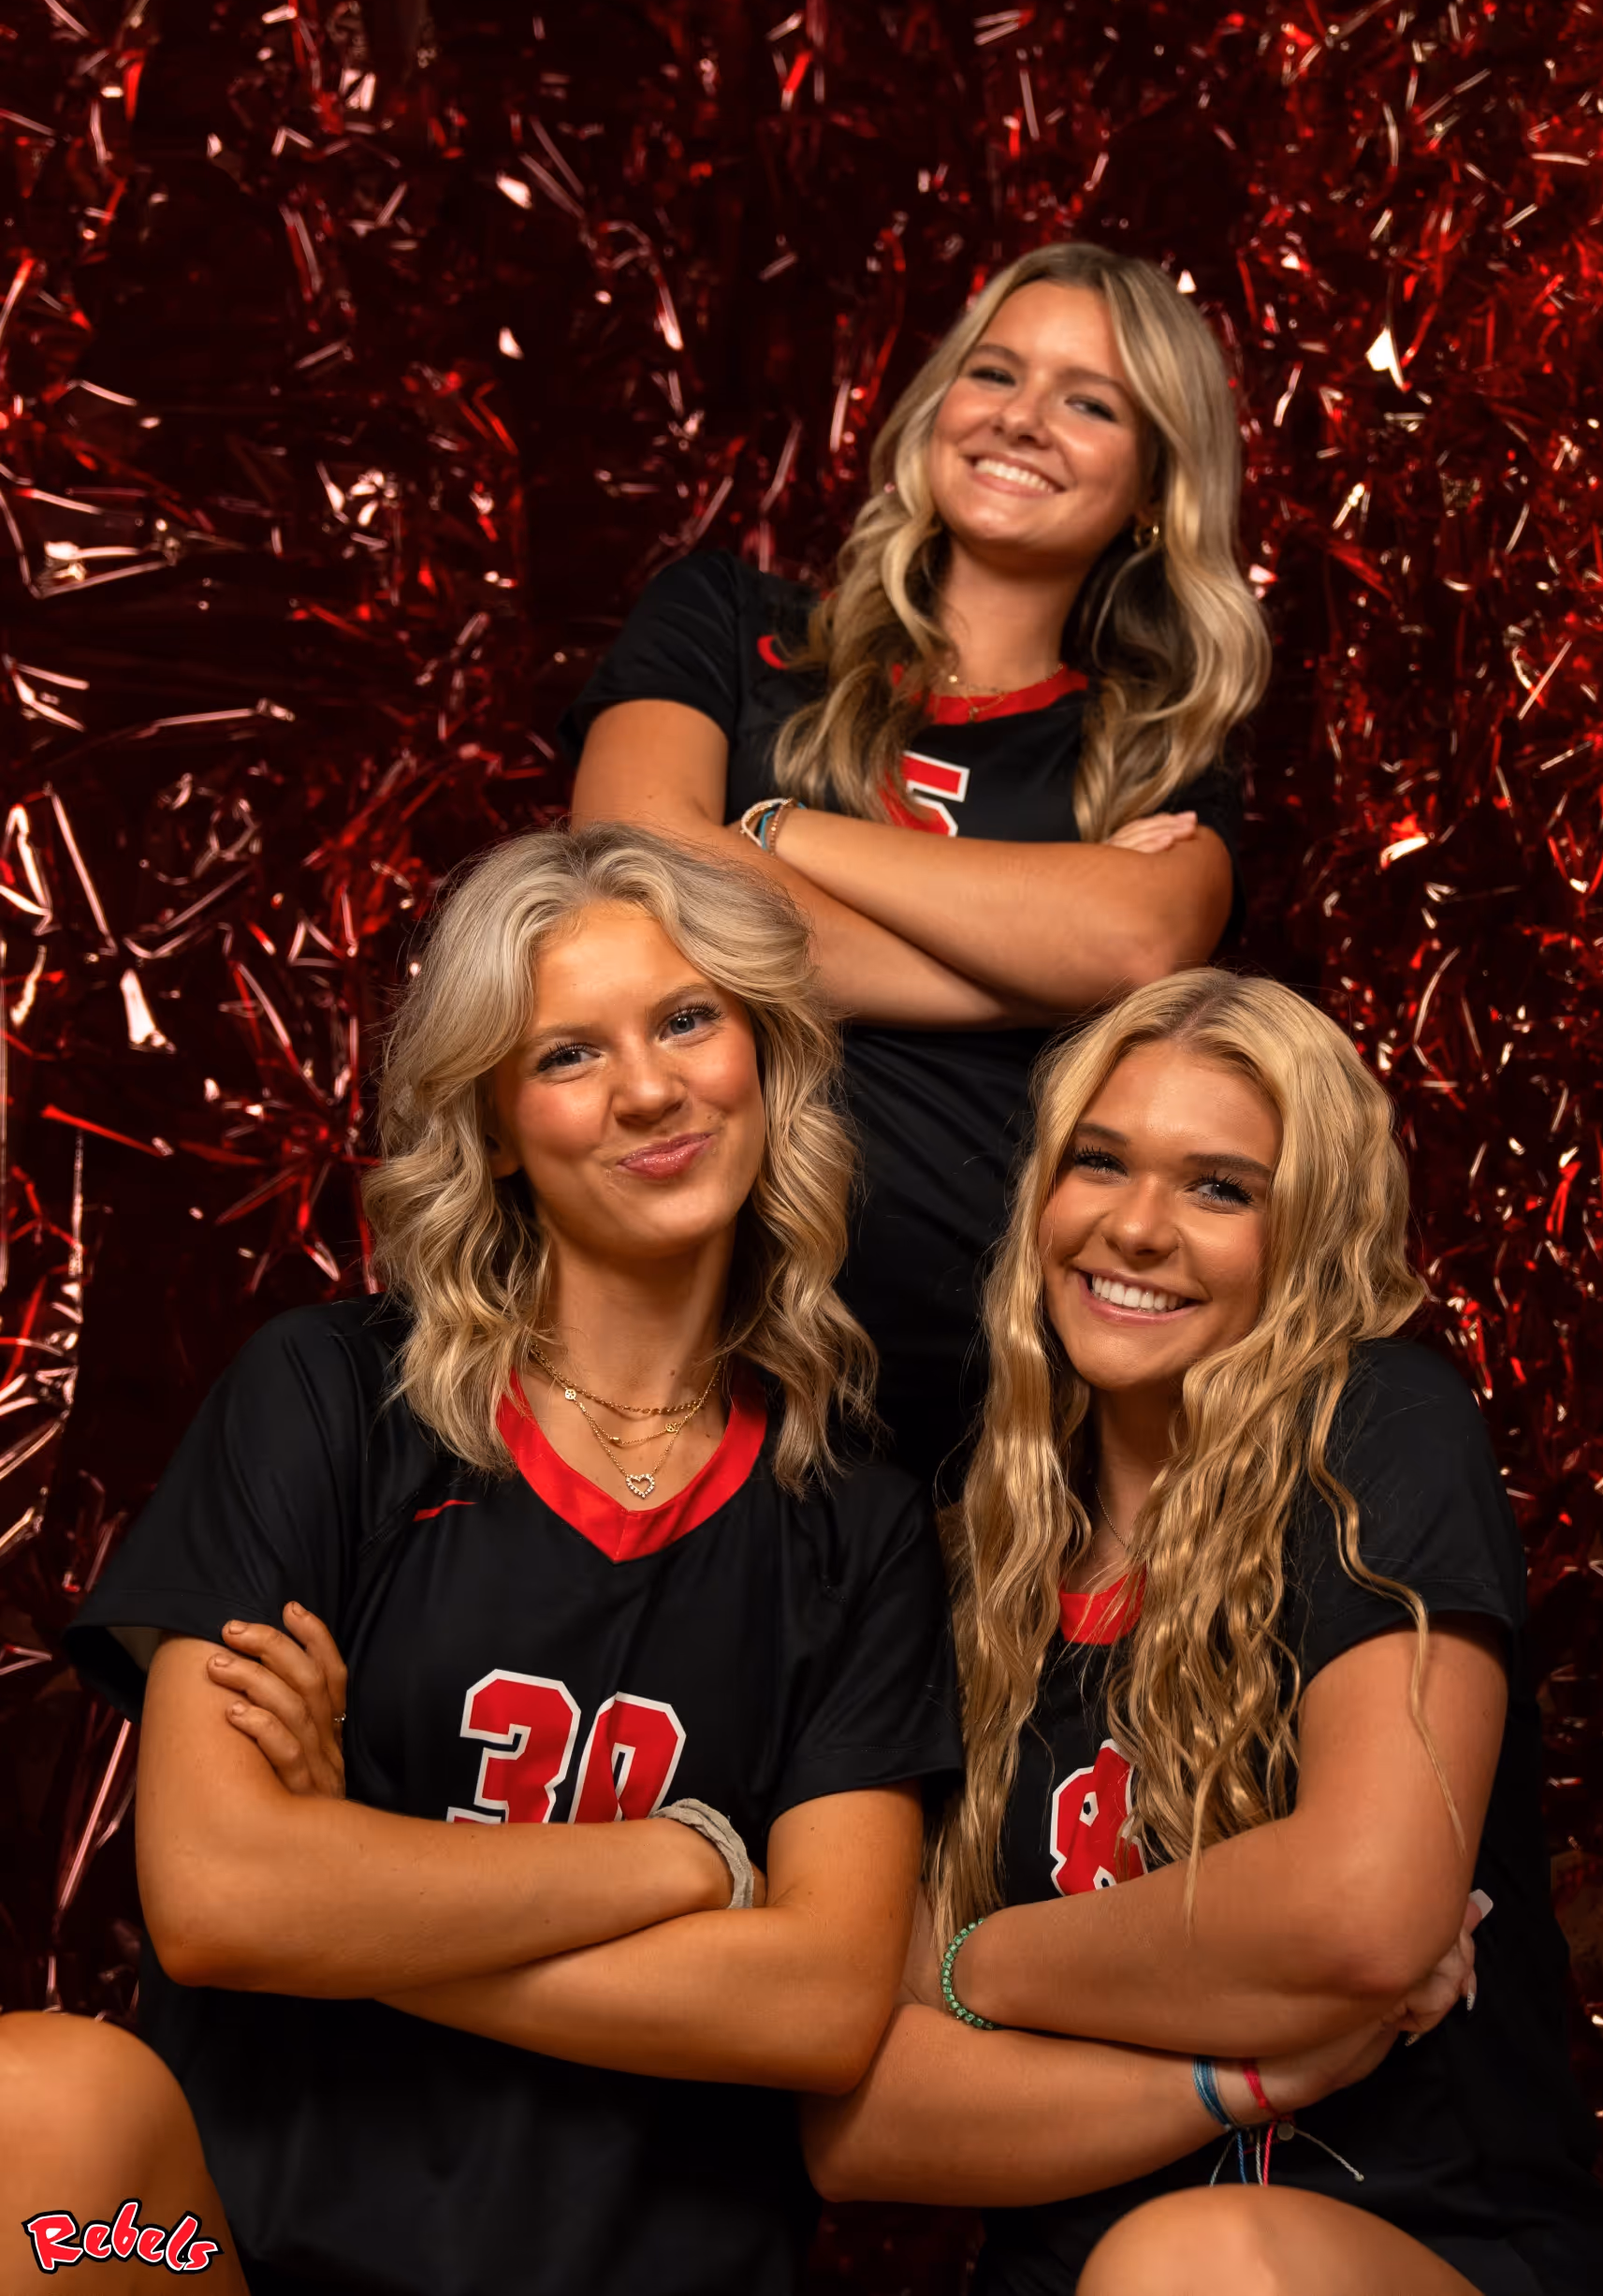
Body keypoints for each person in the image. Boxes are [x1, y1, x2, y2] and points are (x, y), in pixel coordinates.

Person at [46, 825, 963, 2296]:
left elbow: (819, 2006)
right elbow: (221, 1902)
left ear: (765, 1057)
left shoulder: (854, 1519)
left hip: (638, 2272)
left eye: (685, 1021)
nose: (650, 1089)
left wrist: (353, 1882)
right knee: (35, 2122)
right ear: (490, 1123)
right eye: (567, 1056)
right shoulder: (329, 1400)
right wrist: (690, 1862)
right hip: (228, 2258)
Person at [802, 970, 1603, 2296]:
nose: (1136, 1228)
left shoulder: (1378, 1432)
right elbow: (863, 2125)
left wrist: (964, 1969)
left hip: (1424, 2252)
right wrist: (1249, 2070)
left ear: (1306, 1232)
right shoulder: (956, 1555)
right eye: (1100, 1163)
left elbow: (1366, 1914)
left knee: (1184, 2265)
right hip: (1080, 2272)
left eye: (1220, 1188)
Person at [563, 241, 1270, 1485]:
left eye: (1089, 402)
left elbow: (1134, 946)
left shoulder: (1150, 752)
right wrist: (1018, 968)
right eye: (995, 373)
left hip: (964, 1396)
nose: (1023, 419)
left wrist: (771, 833)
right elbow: (633, 873)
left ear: (1156, 484)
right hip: (673, 1339)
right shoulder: (730, 626)